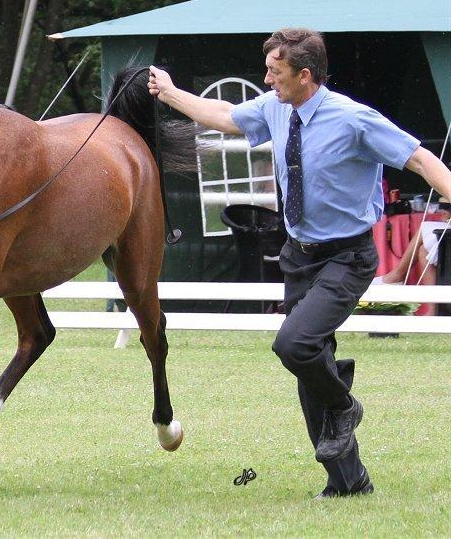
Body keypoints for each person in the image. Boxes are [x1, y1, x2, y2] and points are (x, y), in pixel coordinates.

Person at [148, 28, 451, 499]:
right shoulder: (275, 109)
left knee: (294, 345)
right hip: (299, 256)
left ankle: (344, 404)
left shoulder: (353, 118)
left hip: (347, 257)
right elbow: (226, 116)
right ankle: (348, 483)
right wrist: (169, 92)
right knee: (313, 361)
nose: (267, 79)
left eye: (275, 71)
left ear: (304, 75)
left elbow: (421, 160)